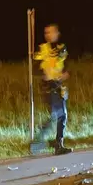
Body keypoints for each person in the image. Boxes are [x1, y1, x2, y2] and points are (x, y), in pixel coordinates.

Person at [30, 24, 73, 155]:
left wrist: (65, 73)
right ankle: (39, 143)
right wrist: (43, 72)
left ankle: (58, 144)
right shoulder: (42, 49)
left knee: (62, 116)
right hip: (48, 85)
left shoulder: (62, 48)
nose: (48, 35)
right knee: (56, 115)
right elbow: (34, 68)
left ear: (57, 33)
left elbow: (67, 66)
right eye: (46, 33)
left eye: (51, 32)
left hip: (60, 85)